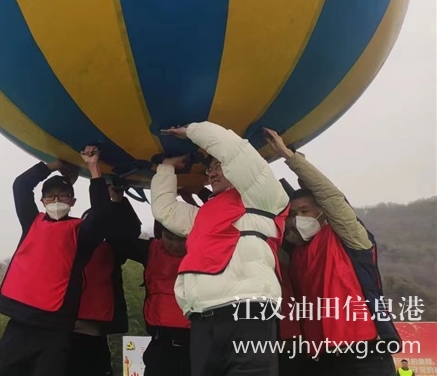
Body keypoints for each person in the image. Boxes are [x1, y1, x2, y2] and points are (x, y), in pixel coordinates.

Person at [152, 122, 289, 376]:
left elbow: (236, 151)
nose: (212, 174)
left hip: (248, 309)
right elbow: (165, 211)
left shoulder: (262, 197)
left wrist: (192, 131)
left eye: (219, 167)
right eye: (209, 170)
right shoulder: (202, 215)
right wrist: (167, 168)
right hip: (203, 314)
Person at [264, 128, 400, 376]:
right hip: (321, 360)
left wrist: (289, 157)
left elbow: (331, 196)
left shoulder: (349, 237)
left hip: (365, 355)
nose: (298, 219)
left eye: (304, 211)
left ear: (322, 212)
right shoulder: (294, 254)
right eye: (293, 214)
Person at [0, 148, 113, 376]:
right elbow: (21, 185)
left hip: (55, 330)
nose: (56, 200)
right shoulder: (31, 222)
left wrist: (93, 167)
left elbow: (103, 214)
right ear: (42, 200)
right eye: (50, 196)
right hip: (19, 323)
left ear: (73, 200)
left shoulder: (81, 233)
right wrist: (55, 165)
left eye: (63, 195)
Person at [67, 149, 142, 376]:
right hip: (65, 331)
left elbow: (129, 232)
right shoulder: (70, 246)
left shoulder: (113, 248)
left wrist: (118, 199)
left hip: (95, 334)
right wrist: (64, 180)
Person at [113, 218, 192, 376]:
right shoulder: (150, 249)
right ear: (160, 234)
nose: (176, 244)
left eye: (182, 238)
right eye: (170, 237)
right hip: (161, 341)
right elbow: (118, 237)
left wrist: (203, 193)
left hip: (198, 342)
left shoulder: (210, 249)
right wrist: (118, 200)